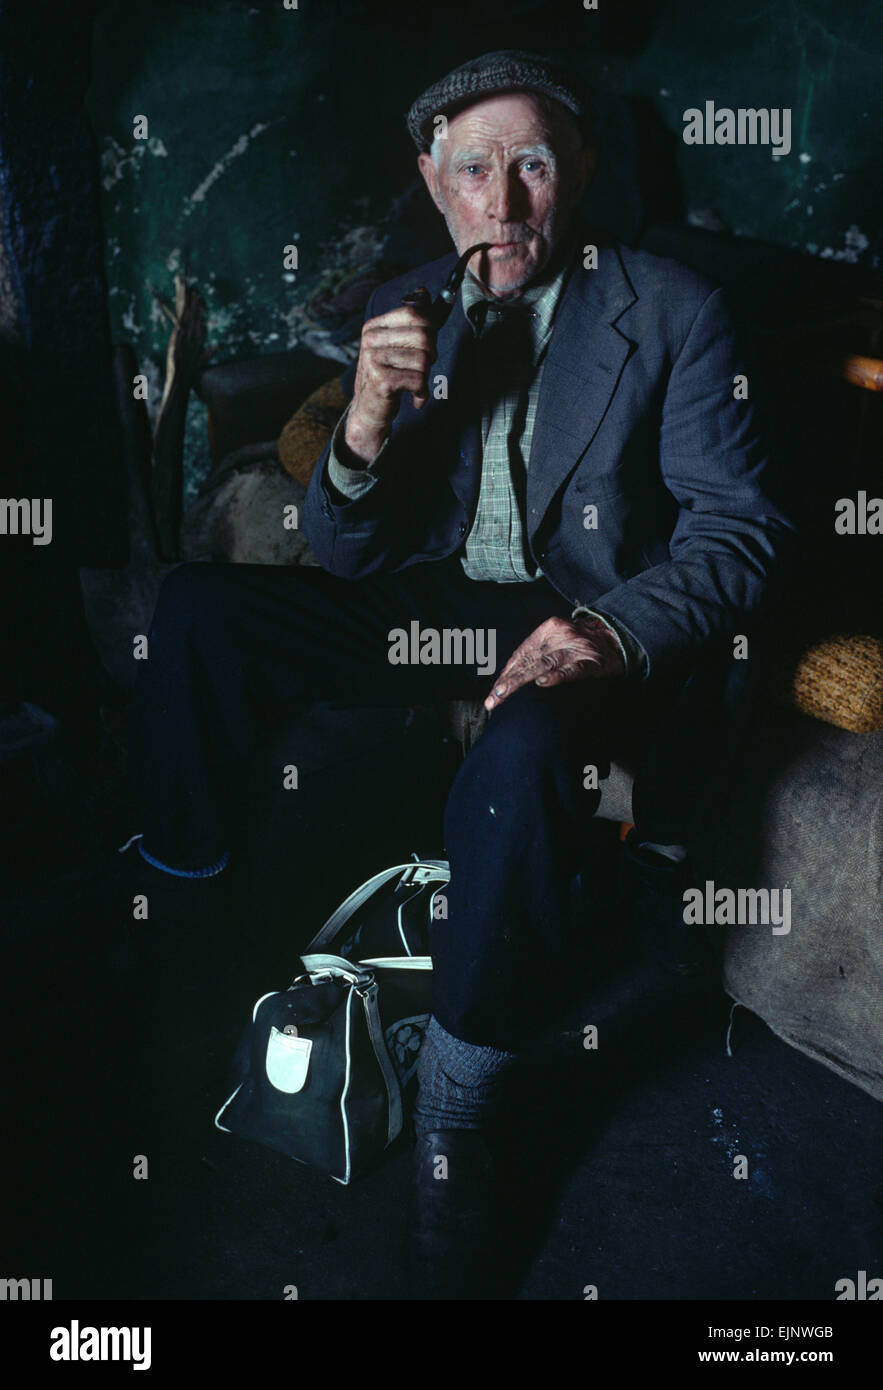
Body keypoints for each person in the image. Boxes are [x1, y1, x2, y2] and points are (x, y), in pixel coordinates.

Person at [128, 50, 795, 1299]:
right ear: (435, 185)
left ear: (578, 173)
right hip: (449, 605)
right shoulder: (409, 302)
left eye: (533, 164)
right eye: (475, 168)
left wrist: (605, 635)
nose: (505, 201)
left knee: (530, 747)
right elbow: (347, 552)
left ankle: (465, 1099)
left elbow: (739, 531)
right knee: (200, 609)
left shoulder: (673, 308)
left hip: (593, 615)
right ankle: (190, 915)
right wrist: (366, 425)